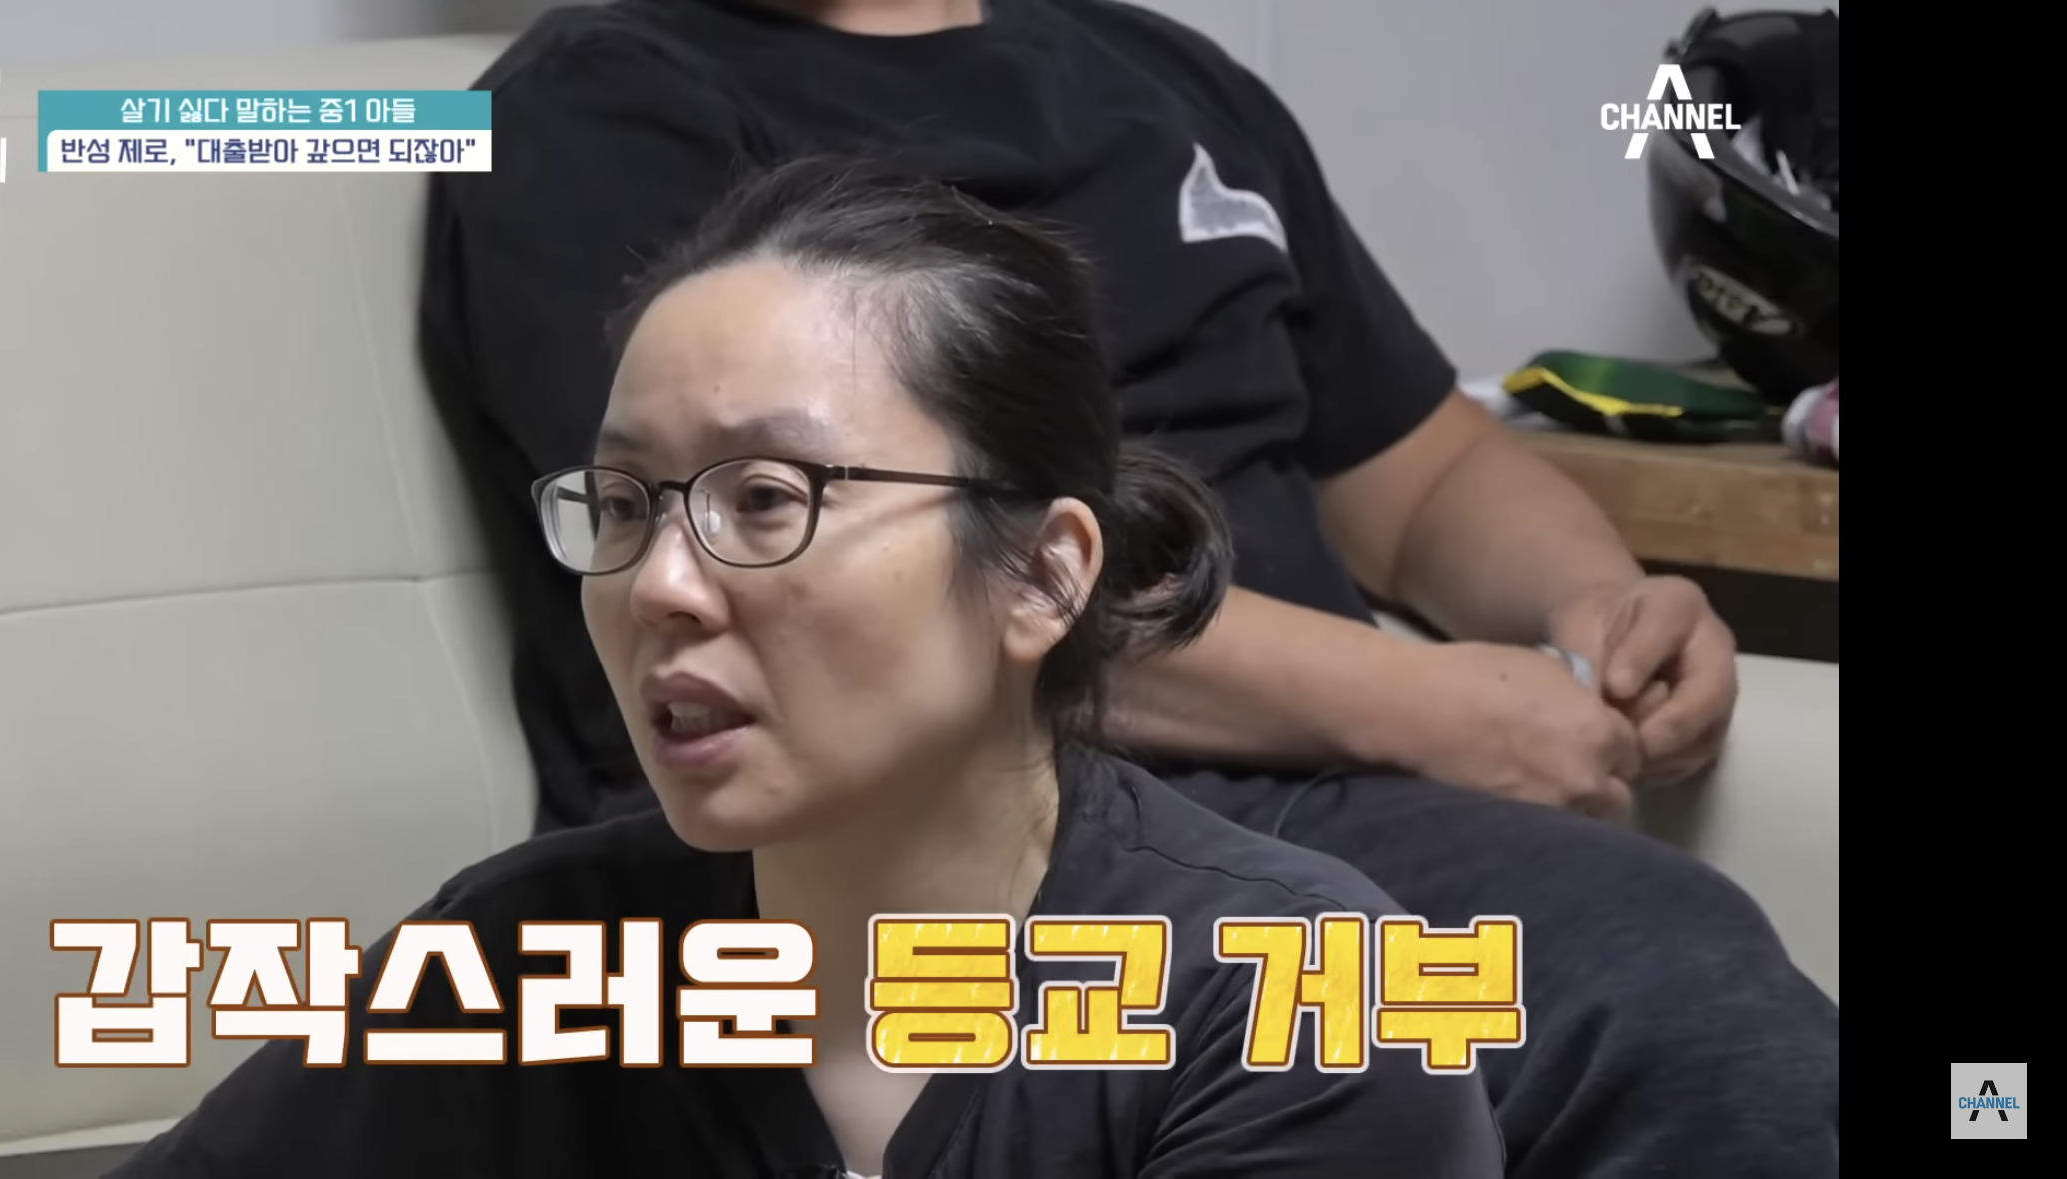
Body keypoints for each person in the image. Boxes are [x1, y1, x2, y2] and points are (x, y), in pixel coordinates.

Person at [415, 1, 1838, 1175]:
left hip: (1311, 815)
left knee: (1691, 993)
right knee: (1664, 988)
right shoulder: (602, 105)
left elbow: (1422, 474)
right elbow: (827, 561)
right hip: (998, 793)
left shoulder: (1168, 77)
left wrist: (1598, 604)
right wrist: (1421, 702)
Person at [113, 159, 1507, 1178]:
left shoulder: (1294, 1001)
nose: (661, 585)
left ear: (1041, 573)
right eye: (624, 505)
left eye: (767, 498)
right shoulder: (517, 967)